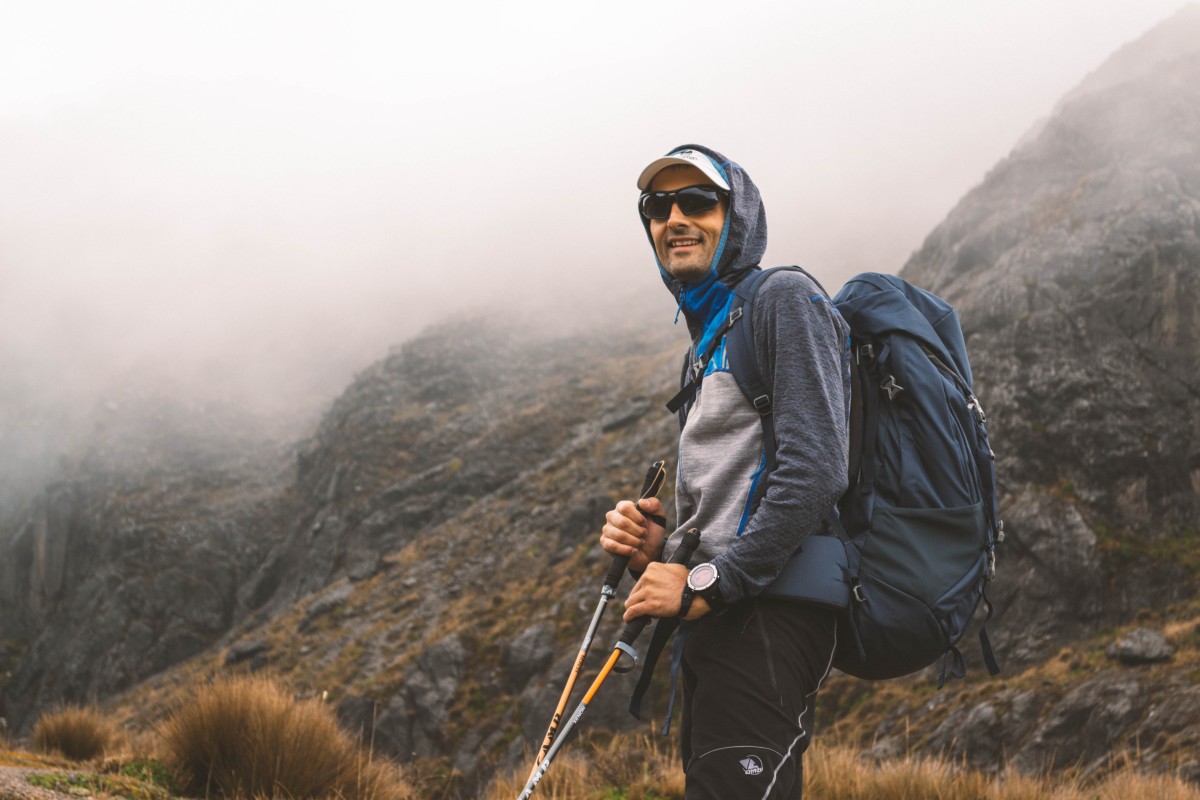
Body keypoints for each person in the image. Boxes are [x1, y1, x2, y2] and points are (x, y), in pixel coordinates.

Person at [599, 144, 851, 799]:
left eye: (697, 201)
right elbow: (739, 491)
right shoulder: (709, 340)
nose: (673, 217)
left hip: (764, 613)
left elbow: (815, 471)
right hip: (721, 617)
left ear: (737, 216)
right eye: (657, 206)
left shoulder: (783, 299)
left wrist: (707, 581)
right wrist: (662, 550)